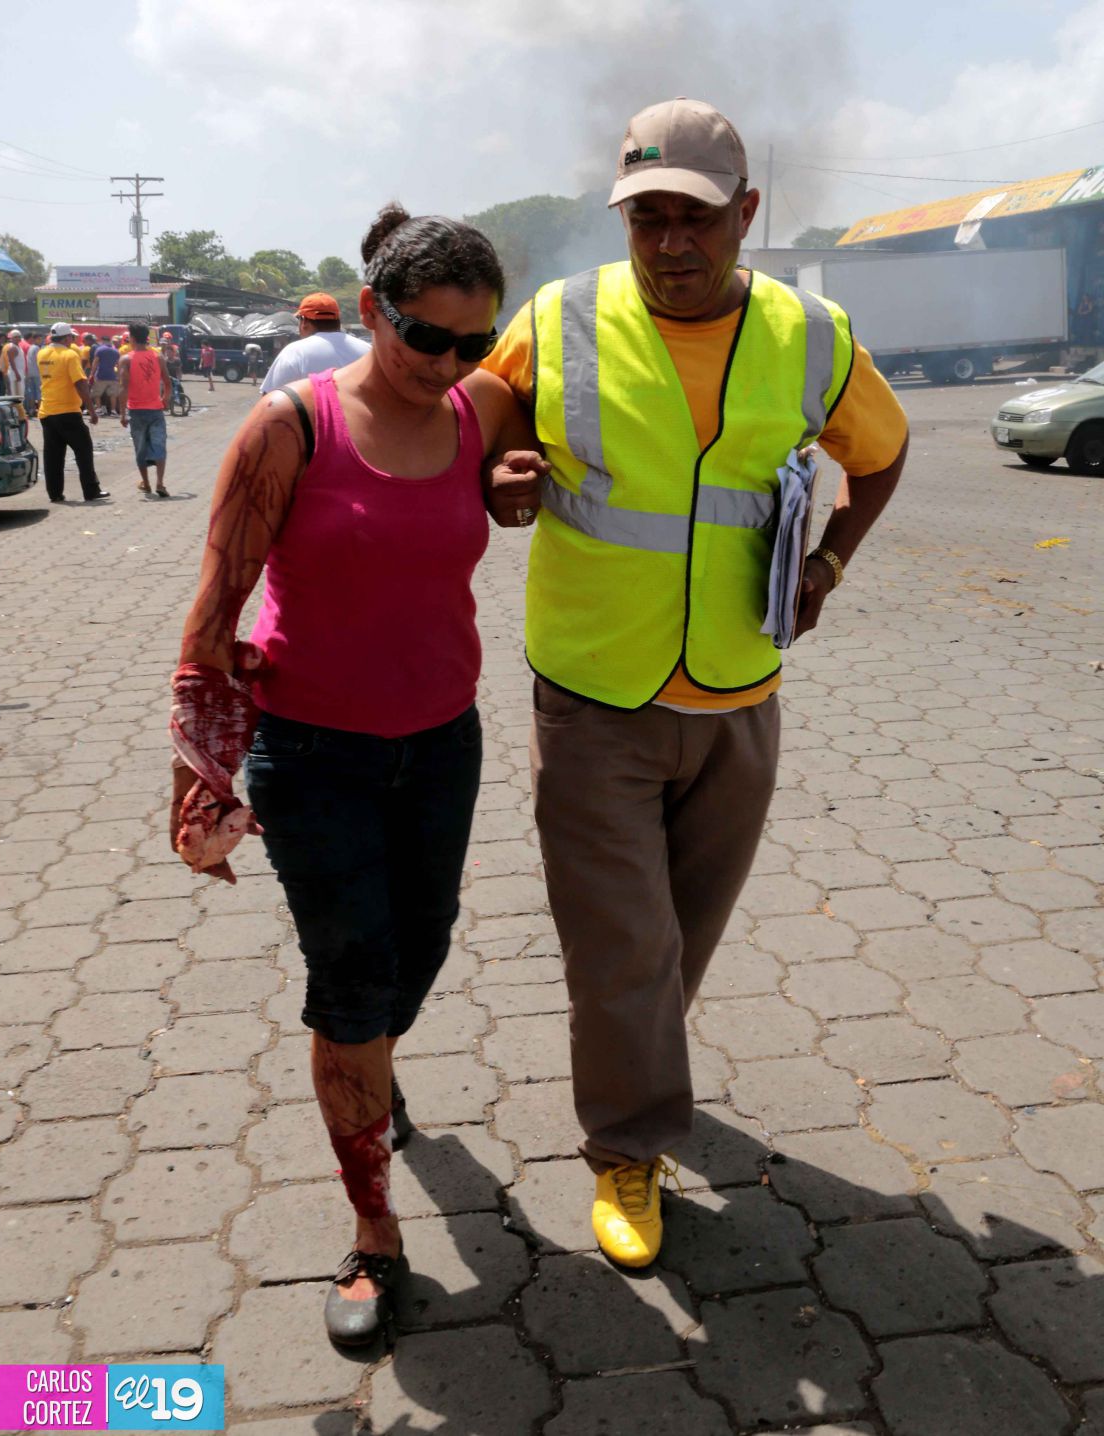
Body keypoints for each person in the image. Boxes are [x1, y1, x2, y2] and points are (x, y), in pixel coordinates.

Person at [484, 97, 909, 1269]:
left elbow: (881, 452)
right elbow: (488, 421)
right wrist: (498, 472)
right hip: (592, 696)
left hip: (736, 695)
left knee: (680, 938)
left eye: (696, 218)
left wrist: (827, 557)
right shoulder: (559, 318)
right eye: (647, 218)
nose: (671, 242)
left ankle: (638, 1067)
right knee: (623, 946)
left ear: (747, 215)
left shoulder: (812, 336)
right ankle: (627, 1145)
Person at [169, 204, 544, 1348]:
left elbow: (500, 489)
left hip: (442, 737)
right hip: (312, 749)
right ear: (373, 310)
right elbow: (213, 611)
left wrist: (510, 486)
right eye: (425, 337)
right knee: (350, 972)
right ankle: (375, 1229)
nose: (448, 364)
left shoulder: (479, 405)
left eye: (471, 345)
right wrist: (199, 771)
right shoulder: (290, 430)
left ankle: (376, 1059)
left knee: (419, 944)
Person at [36, 321, 110, 503]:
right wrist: (92, 410)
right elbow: (80, 383)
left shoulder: (42, 353)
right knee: (84, 450)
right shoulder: (69, 354)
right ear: (68, 337)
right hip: (67, 411)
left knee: (53, 456)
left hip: (47, 411)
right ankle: (91, 490)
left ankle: (55, 493)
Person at [259, 292, 369, 394]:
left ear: (305, 322)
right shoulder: (367, 350)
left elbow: (270, 400)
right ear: (337, 320)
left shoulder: (295, 351)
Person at [119, 322, 172, 495]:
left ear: (132, 338)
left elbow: (124, 388)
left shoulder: (126, 359)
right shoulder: (158, 357)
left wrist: (122, 414)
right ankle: (160, 483)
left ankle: (146, 483)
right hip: (156, 410)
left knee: (140, 448)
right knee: (159, 446)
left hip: (136, 411)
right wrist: (165, 399)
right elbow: (168, 382)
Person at [90, 335, 120, 416]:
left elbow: (95, 363)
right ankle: (113, 411)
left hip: (101, 375)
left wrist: (92, 374)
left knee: (96, 393)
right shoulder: (116, 351)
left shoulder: (99, 350)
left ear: (103, 341)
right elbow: (118, 364)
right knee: (113, 394)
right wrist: (118, 375)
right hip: (112, 376)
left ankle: (99, 409)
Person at [0, 329, 26, 402]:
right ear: (11, 338)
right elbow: (11, 362)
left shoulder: (18, 346)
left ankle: (19, 411)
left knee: (20, 394)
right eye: (15, 337)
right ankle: (16, 412)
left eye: (19, 336)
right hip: (15, 374)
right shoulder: (12, 348)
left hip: (19, 373)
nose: (18, 338)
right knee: (16, 395)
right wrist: (16, 374)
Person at [24, 334, 42, 417]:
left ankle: (32, 409)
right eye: (39, 339)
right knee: (39, 391)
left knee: (31, 392)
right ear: (35, 339)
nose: (40, 340)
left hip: (30, 372)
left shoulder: (30, 347)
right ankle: (40, 409)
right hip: (37, 372)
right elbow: (39, 361)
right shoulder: (37, 348)